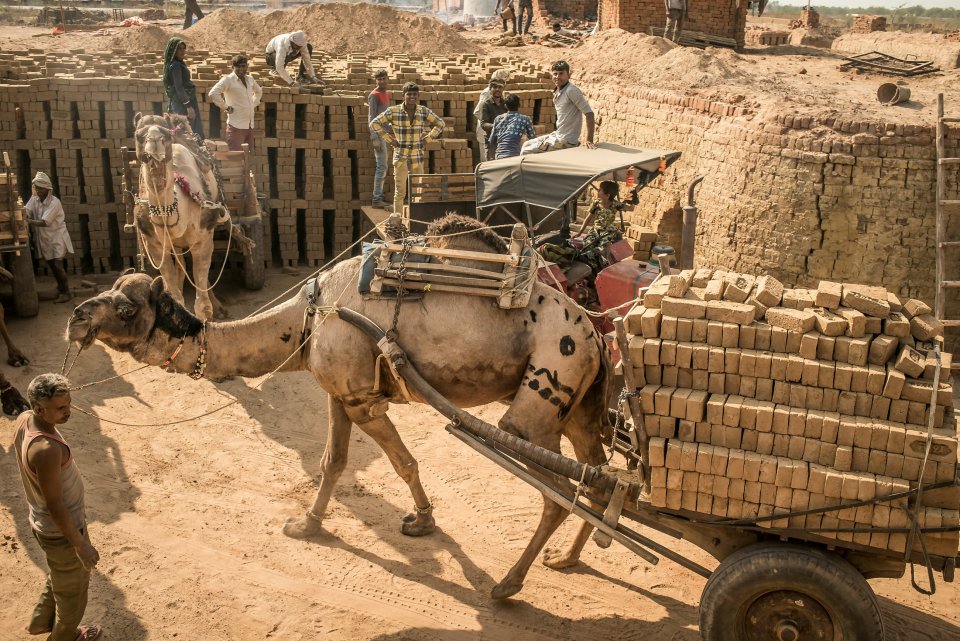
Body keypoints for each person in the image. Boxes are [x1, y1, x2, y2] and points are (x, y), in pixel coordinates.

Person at [15, 374, 101, 641]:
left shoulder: (24, 418)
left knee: (59, 574)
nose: (68, 411)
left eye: (69, 403)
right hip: (60, 531)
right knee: (72, 597)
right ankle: (66, 635)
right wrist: (79, 544)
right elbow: (56, 505)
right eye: (61, 408)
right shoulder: (46, 449)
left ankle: (40, 622)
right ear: (40, 409)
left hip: (42, 525)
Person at [369, 82, 445, 214]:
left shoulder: (423, 111)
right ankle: (397, 221)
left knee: (418, 191)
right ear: (403, 95)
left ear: (418, 96)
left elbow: (440, 123)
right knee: (400, 192)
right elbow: (374, 123)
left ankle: (416, 219)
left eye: (415, 94)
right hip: (400, 157)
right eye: (409, 94)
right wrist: (390, 140)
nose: (412, 97)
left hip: (417, 156)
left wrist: (427, 139)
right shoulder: (393, 111)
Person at [521, 60, 595, 155]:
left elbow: (589, 113)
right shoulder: (558, 91)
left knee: (526, 152)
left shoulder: (571, 91)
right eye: (555, 74)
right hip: (558, 134)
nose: (557, 77)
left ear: (568, 75)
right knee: (526, 144)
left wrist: (589, 139)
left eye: (561, 74)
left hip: (566, 140)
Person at [25, 172, 73, 304]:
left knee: (58, 265)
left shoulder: (54, 202)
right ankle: (60, 288)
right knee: (52, 265)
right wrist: (19, 212)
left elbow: (45, 222)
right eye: (37, 188)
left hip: (57, 237)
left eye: (41, 188)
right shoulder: (34, 199)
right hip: (45, 238)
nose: (38, 191)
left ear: (48, 189)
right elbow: (27, 210)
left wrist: (28, 222)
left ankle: (67, 292)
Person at [208, 54, 262, 152]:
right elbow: (213, 93)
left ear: (247, 66)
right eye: (238, 66)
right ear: (233, 67)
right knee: (236, 159)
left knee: (247, 158)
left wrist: (253, 104)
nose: (241, 69)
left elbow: (259, 91)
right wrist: (226, 107)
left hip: (249, 126)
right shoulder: (228, 80)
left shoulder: (249, 79)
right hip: (236, 127)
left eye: (243, 66)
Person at [162, 37, 204, 139]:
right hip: (182, 103)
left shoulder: (179, 63)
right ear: (173, 50)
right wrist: (188, 106)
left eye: (183, 48)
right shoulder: (176, 65)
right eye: (179, 49)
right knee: (184, 131)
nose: (182, 51)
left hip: (184, 101)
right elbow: (179, 87)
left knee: (187, 130)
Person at [472, 69, 510, 162]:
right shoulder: (487, 93)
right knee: (487, 161)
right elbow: (477, 111)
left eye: (500, 86)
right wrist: (491, 124)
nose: (498, 89)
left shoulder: (502, 100)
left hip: (498, 136)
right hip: (486, 133)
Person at [367, 70, 391, 208]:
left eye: (383, 78)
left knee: (383, 166)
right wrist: (374, 138)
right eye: (379, 79)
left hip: (385, 134)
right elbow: (371, 117)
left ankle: (379, 197)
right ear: (375, 81)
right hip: (378, 134)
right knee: (381, 166)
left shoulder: (385, 94)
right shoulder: (374, 95)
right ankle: (377, 199)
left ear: (387, 79)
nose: (381, 81)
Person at [488, 94, 536, 160]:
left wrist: (492, 158)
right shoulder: (525, 119)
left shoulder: (498, 119)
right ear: (519, 105)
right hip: (515, 156)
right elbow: (533, 139)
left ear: (506, 106)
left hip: (499, 156)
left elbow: (491, 141)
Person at [479, 78, 508, 160]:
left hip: (504, 142)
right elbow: (483, 124)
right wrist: (496, 126)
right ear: (490, 89)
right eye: (495, 87)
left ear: (503, 89)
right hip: (491, 142)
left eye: (500, 87)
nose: (497, 89)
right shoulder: (486, 104)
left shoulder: (506, 103)